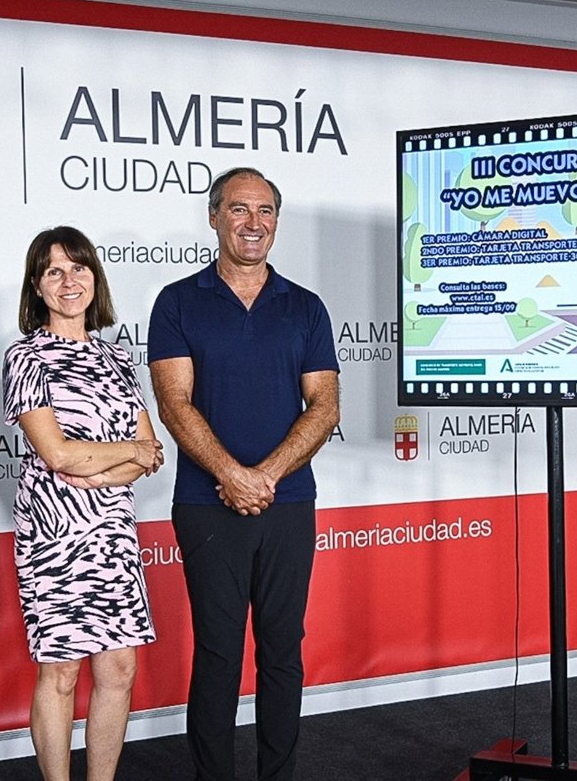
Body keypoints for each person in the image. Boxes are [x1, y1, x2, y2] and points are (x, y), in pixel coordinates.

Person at [147, 167, 340, 781]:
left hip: (288, 502)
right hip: (206, 505)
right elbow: (174, 404)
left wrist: (265, 476)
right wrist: (231, 475)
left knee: (283, 652)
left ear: (276, 221)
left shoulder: (305, 306)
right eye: (238, 209)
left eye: (265, 211)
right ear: (214, 217)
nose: (253, 223)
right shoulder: (177, 301)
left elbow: (325, 406)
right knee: (218, 654)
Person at [3, 226, 163, 781]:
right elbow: (57, 453)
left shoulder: (118, 359)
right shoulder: (26, 356)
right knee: (62, 674)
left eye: (78, 268)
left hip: (113, 534)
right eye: (54, 271)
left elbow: (151, 453)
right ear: (37, 286)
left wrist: (102, 466)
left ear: (95, 277)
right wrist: (125, 454)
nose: (69, 281)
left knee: (119, 669)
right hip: (54, 534)